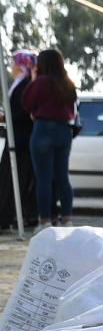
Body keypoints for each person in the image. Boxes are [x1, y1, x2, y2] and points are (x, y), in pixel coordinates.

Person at [22, 49, 76, 232]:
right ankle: (68, 219)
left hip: (43, 129)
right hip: (64, 131)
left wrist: (34, 78)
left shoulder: (42, 82)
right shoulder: (68, 83)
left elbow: (26, 103)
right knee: (62, 177)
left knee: (43, 178)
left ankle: (45, 222)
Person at [0, 50, 37, 232]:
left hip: (21, 141)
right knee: (7, 179)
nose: (12, 66)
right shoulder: (20, 83)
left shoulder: (26, 84)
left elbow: (24, 113)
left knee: (15, 180)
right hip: (15, 136)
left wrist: (6, 118)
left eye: (14, 63)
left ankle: (7, 217)